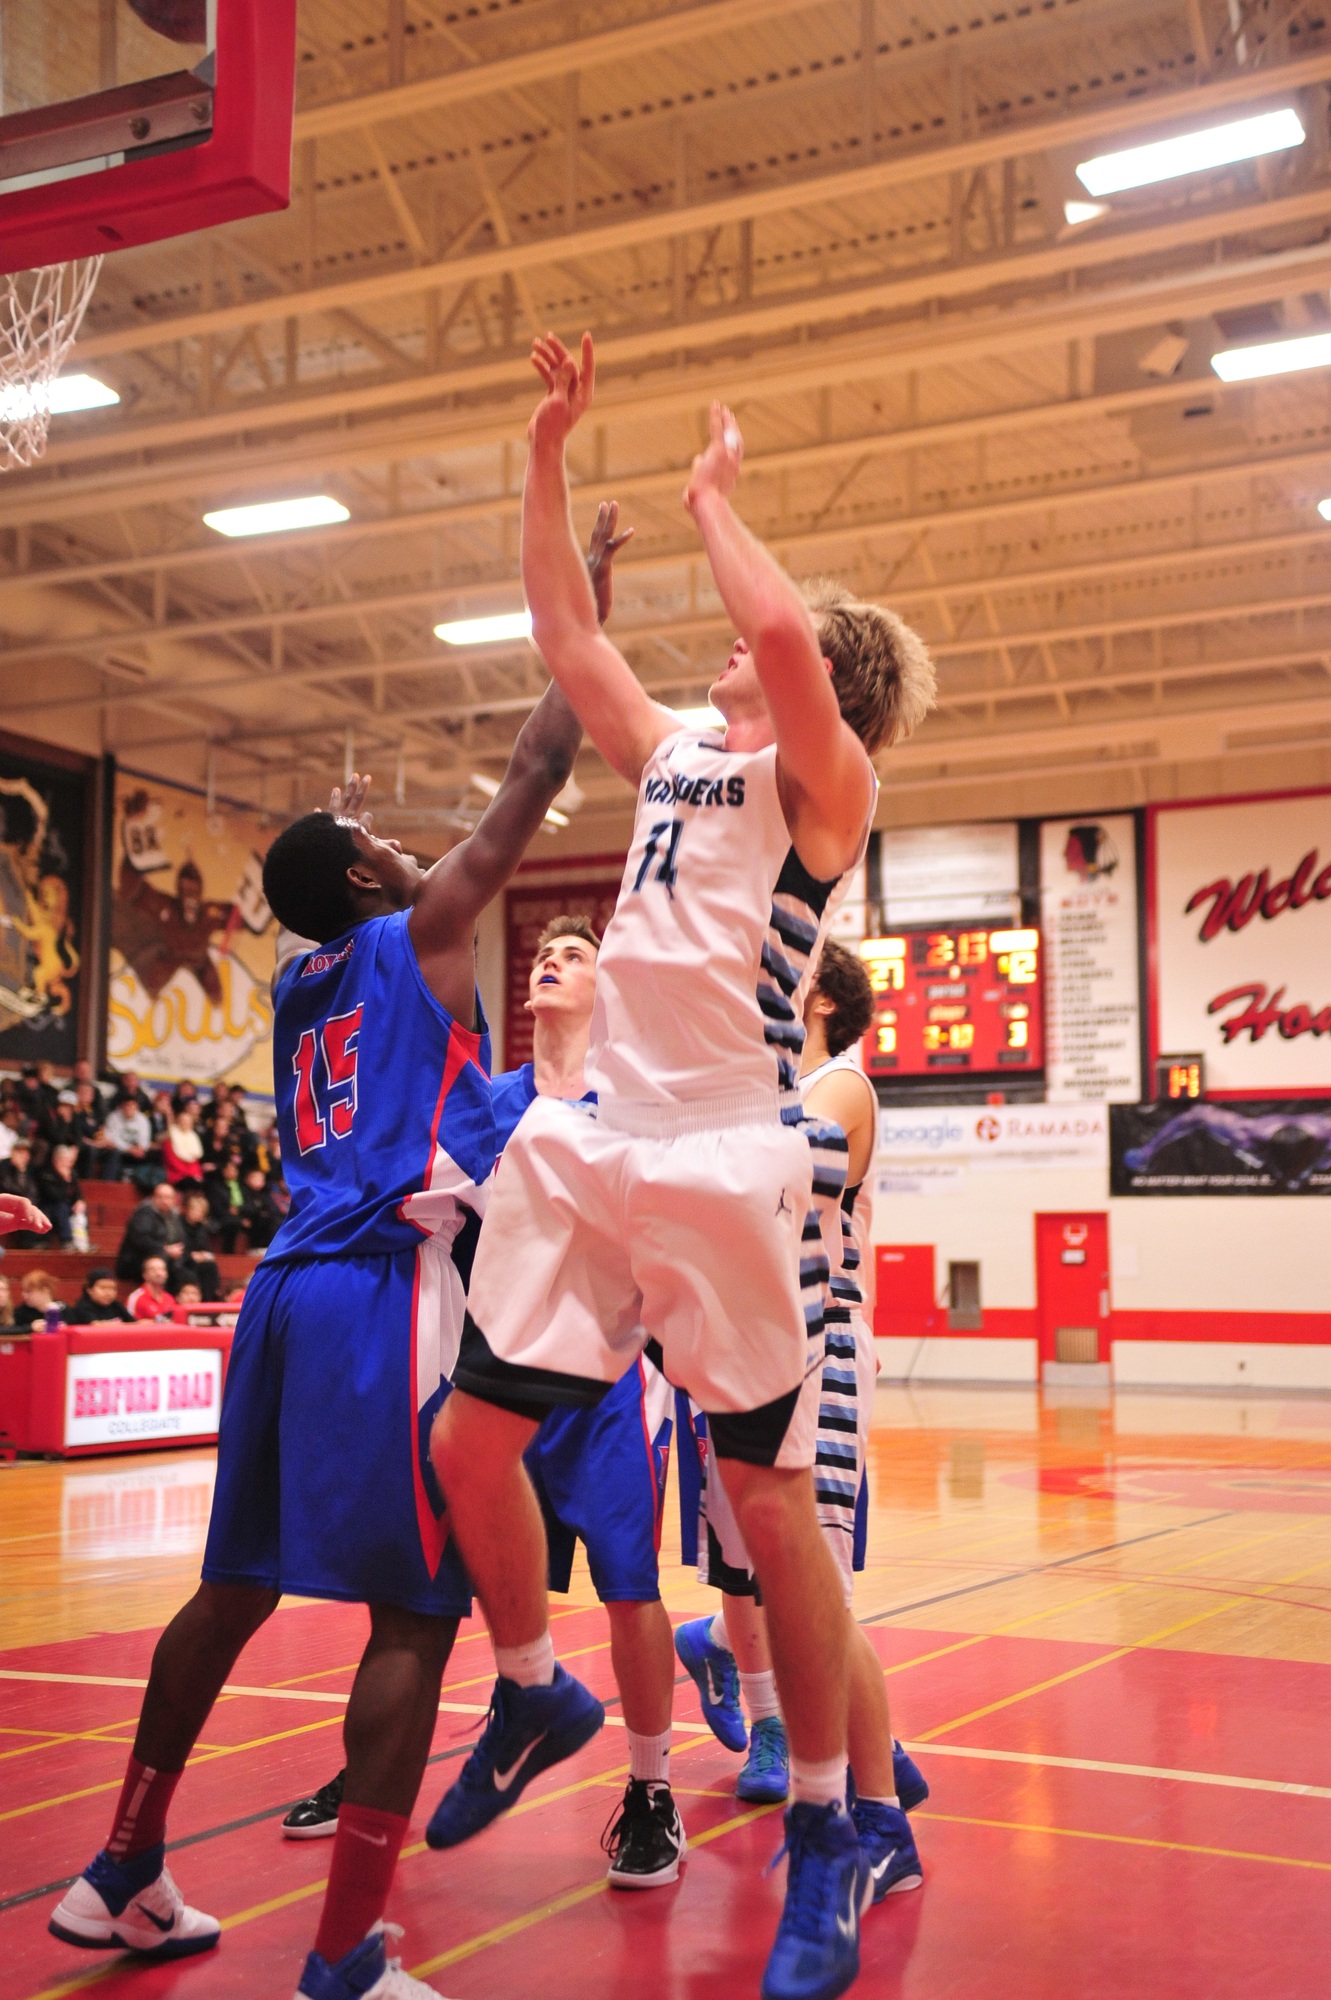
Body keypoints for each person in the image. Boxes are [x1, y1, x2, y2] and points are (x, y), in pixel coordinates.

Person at [430, 332, 935, 2000]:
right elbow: (566, 638)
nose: (728, 641)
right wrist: (545, 451)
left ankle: (827, 1827)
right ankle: (530, 1686)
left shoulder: (824, 783)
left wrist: (718, 500)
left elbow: (782, 634)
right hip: (601, 1140)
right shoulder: (668, 754)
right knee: (468, 1437)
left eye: (759, 642)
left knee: (771, 1511)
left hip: (724, 1147)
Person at [50, 665, 586, 2000]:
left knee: (232, 1585)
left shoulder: (297, 981)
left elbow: (333, 907)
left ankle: (120, 1867)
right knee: (414, 1613)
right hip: (377, 1294)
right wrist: (577, 634)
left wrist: (346, 843)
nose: (406, 850)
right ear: (361, 882)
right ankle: (344, 1952)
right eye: (380, 844)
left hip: (282, 1293)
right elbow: (533, 775)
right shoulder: (423, 931)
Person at [291, 912, 687, 1889]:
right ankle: (375, 1765)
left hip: (604, 1377)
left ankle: (651, 1789)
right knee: (423, 1591)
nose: (551, 961)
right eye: (543, 952)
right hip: (487, 1376)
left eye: (575, 954)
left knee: (629, 1587)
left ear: (610, 984)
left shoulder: (635, 1100)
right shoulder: (484, 1100)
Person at [675, 944, 927, 1881]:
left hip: (819, 1344)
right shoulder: (761, 1090)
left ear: (815, 997)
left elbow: (767, 1179)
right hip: (748, 1344)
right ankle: (862, 1752)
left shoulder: (839, 1085)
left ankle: (880, 1820)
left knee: (817, 1592)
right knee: (773, 1577)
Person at [116, 1180, 185, 1281]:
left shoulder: (174, 1216)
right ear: (153, 1198)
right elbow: (140, 1240)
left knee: (194, 1268)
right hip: (137, 1261)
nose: (164, 1201)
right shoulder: (144, 1213)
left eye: (167, 1197)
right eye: (160, 1197)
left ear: (174, 1199)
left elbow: (182, 1239)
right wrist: (165, 1249)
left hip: (167, 1257)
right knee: (163, 1263)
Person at [37, 1143, 86, 1249]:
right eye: (65, 1160)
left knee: (81, 1209)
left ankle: (83, 1244)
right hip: (48, 1207)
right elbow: (54, 1196)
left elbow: (78, 1193)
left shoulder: (72, 1173)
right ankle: (66, 1241)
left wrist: (79, 1201)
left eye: (70, 1161)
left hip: (66, 1206)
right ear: (56, 1160)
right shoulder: (46, 1174)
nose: (69, 1164)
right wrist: (64, 1181)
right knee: (61, 1207)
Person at [177, 1188, 221, 1299]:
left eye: (202, 1211)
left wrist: (204, 1255)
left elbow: (207, 1249)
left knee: (210, 1266)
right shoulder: (178, 1224)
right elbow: (179, 1245)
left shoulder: (201, 1228)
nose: (199, 1214)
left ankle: (210, 1298)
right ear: (188, 1209)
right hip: (183, 1261)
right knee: (195, 1271)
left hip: (197, 1261)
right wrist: (191, 1256)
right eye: (196, 1210)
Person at [0, 1138, 45, 1246]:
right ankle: (28, 1245)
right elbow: (6, 1187)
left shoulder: (32, 1169)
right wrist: (19, 1170)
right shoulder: (3, 1167)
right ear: (13, 1152)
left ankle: (38, 1244)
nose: (23, 1156)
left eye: (26, 1153)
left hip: (29, 1202)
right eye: (19, 1152)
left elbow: (35, 1189)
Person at [104, 1092, 154, 1185]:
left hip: (137, 1150)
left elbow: (145, 1138)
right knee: (114, 1153)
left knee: (153, 1155)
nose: (129, 1109)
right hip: (119, 1149)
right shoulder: (113, 1117)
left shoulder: (142, 1119)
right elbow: (111, 1138)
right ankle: (109, 1184)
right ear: (122, 1107)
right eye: (127, 1106)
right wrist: (129, 1148)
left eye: (132, 1107)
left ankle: (147, 1183)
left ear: (137, 1108)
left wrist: (141, 1147)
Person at [66, 1270, 135, 1327]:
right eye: (103, 1288)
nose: (108, 1293)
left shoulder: (116, 1305)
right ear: (89, 1289)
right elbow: (96, 1325)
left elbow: (135, 1323)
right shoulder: (83, 1307)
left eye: (113, 1288)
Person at [162, 1102, 205, 1187]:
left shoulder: (193, 1137)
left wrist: (196, 1175)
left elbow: (195, 1162)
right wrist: (189, 1175)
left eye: (188, 1122)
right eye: (183, 1121)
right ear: (177, 1121)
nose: (185, 1123)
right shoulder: (170, 1138)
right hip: (177, 1175)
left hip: (192, 1175)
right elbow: (172, 1162)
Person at [127, 1256, 174, 1321]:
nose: (159, 1273)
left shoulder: (170, 1298)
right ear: (145, 1275)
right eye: (153, 1270)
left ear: (166, 1274)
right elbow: (129, 1323)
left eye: (162, 1269)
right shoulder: (136, 1298)